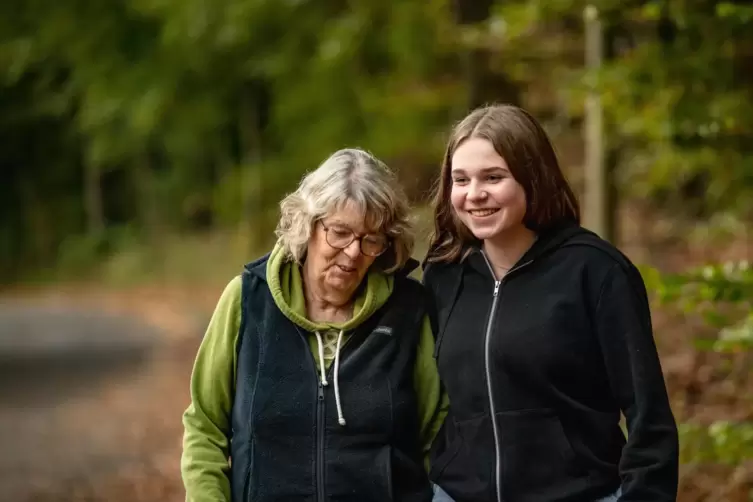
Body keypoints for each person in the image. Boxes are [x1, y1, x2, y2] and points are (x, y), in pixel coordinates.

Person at [422, 104, 679, 502]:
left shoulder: (596, 271)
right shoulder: (444, 275)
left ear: (532, 177)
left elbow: (649, 416)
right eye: (461, 180)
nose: (474, 194)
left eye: (493, 177)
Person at [181, 148, 447, 502]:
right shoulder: (247, 300)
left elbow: (438, 434)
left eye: (371, 239)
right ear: (308, 225)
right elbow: (205, 427)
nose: (353, 252)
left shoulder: (407, 311)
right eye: (339, 232)